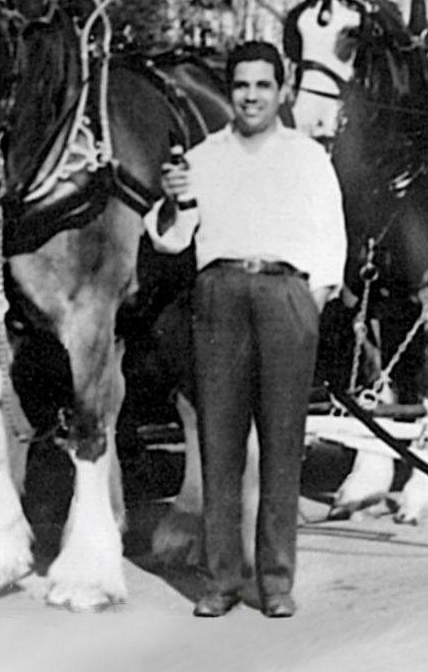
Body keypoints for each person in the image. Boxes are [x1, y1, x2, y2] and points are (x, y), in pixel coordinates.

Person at [144, 40, 345, 619]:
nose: (251, 96)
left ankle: (276, 581)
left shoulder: (307, 156)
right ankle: (222, 581)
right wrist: (174, 201)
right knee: (220, 445)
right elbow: (173, 239)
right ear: (229, 92)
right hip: (221, 295)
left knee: (283, 446)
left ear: (281, 90)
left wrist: (311, 302)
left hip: (286, 293)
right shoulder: (204, 158)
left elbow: (330, 236)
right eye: (241, 85)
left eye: (262, 84)